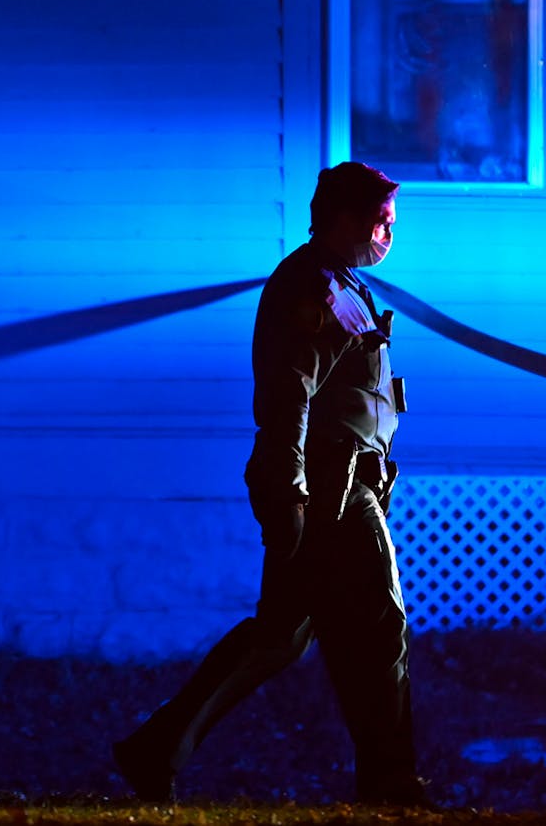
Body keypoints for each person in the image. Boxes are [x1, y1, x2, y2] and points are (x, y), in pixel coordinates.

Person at [112, 163, 427, 807]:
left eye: (391, 221)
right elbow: (289, 395)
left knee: (279, 635)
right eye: (378, 220)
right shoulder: (313, 287)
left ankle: (156, 748)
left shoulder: (344, 285)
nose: (387, 233)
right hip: (331, 488)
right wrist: (289, 490)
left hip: (338, 482)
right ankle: (391, 787)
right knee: (378, 625)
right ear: (337, 217)